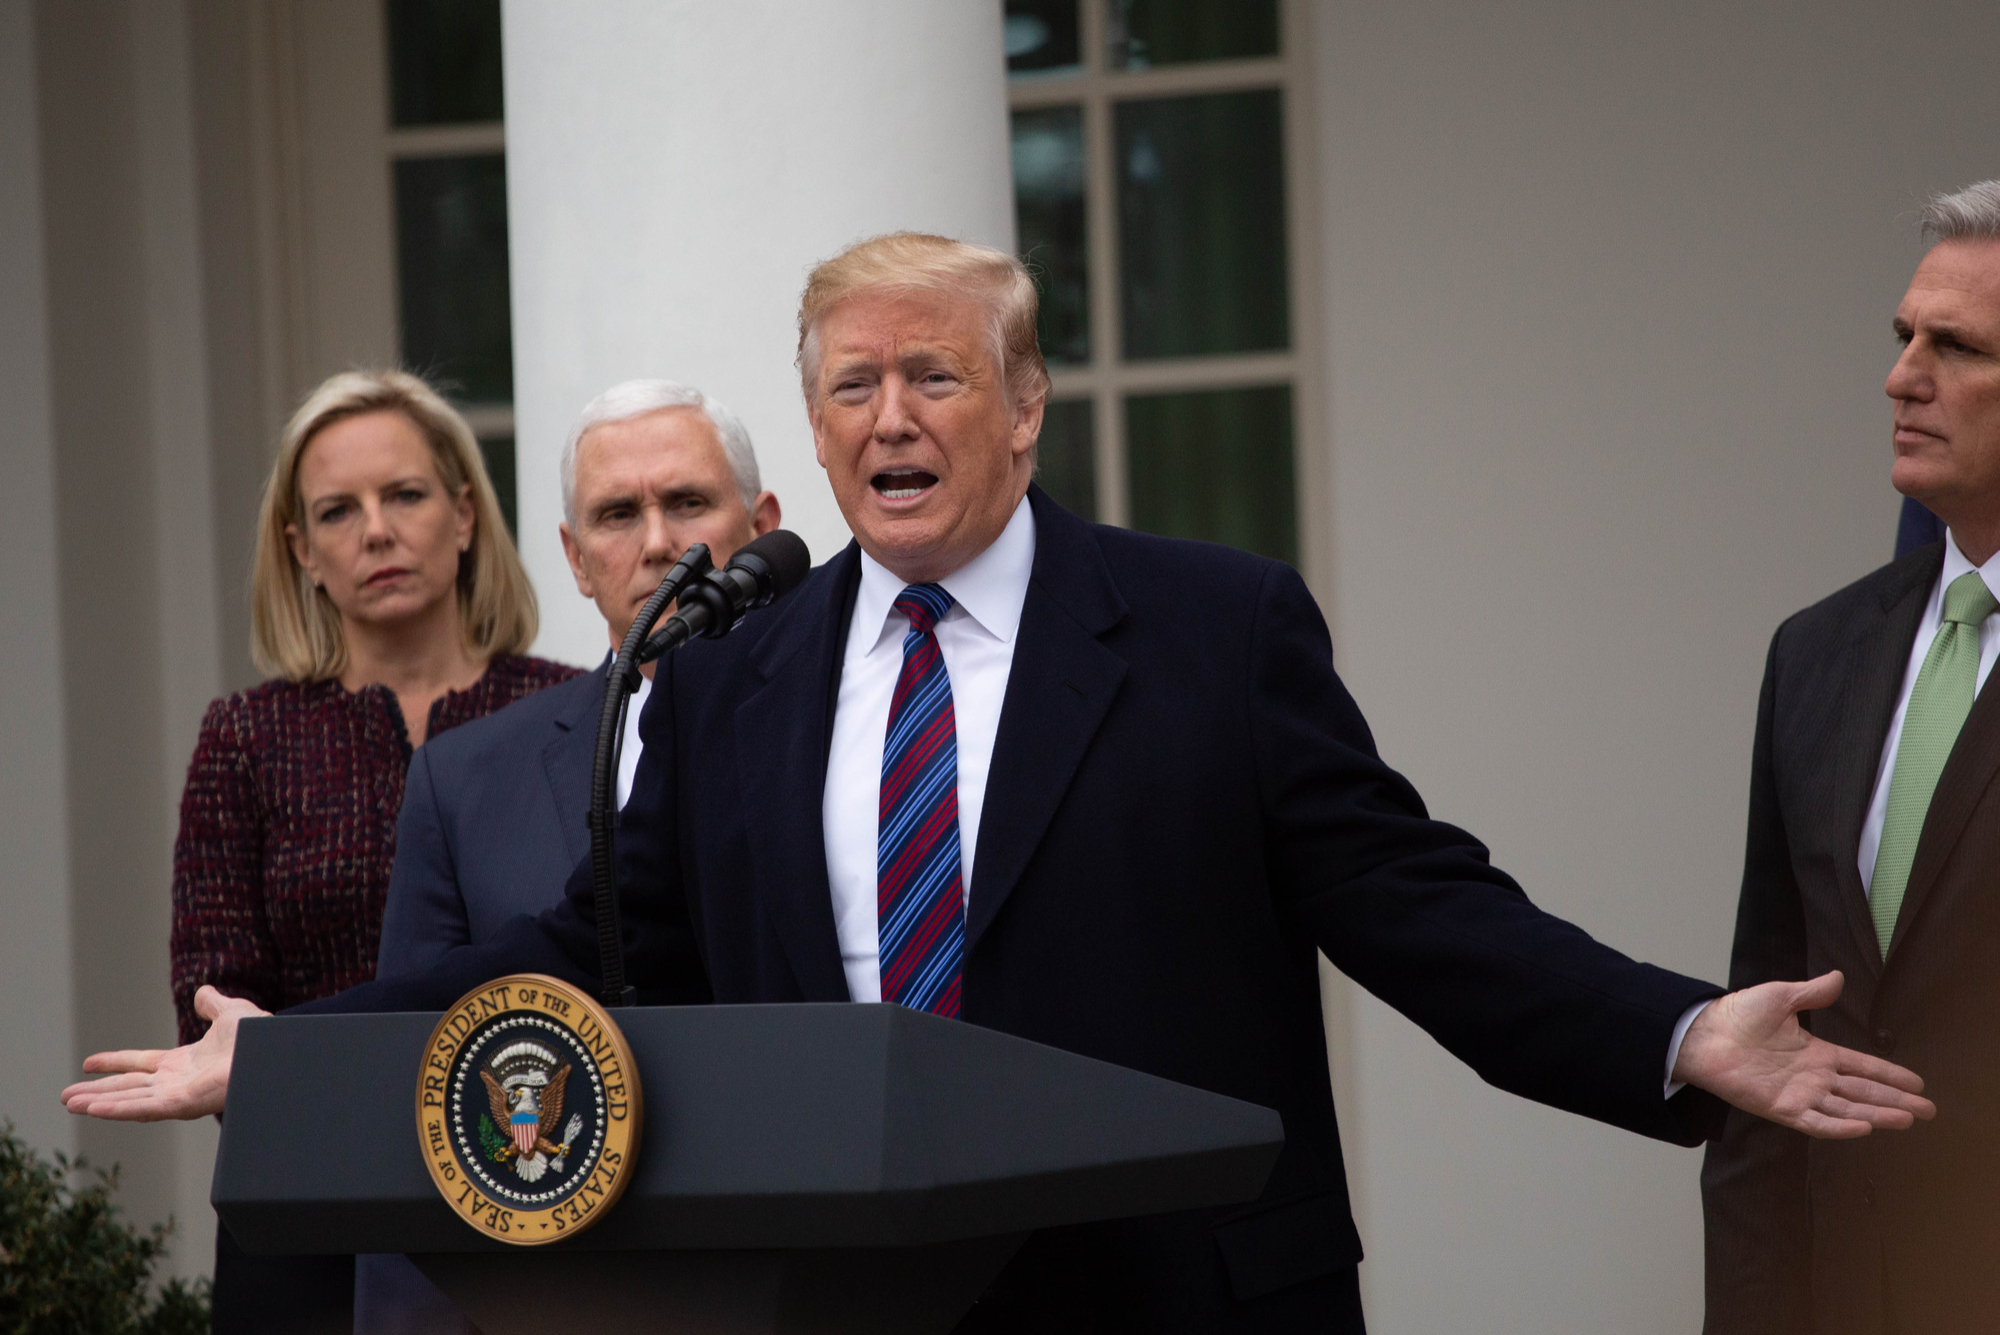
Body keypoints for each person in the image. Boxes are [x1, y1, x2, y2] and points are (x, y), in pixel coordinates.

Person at [72, 236, 1933, 1333]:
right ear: (813, 427)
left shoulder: (1211, 630)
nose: (892, 419)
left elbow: (1414, 901)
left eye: (937, 378)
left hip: (1178, 1296)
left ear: (1024, 408)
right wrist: (301, 1052)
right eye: (854, 385)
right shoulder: (736, 681)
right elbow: (578, 951)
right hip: (847, 1301)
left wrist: (1684, 1036)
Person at [353, 382, 779, 1334]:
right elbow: (417, 1087)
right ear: (575, 560)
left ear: (762, 526)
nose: (659, 542)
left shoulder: (839, 735)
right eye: (618, 515)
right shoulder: (462, 779)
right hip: (542, 1294)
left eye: (689, 503)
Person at [170, 369, 577, 1334]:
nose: (377, 531)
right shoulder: (247, 735)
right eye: (338, 511)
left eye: (405, 495)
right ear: (301, 551)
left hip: (536, 1176)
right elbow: (217, 1000)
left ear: (467, 515)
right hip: (313, 1203)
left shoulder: (566, 709)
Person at [1702, 181, 2000, 1333]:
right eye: (1900, 337)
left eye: (1955, 346)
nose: (1898, 377)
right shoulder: (1815, 652)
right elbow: (1768, 1022)